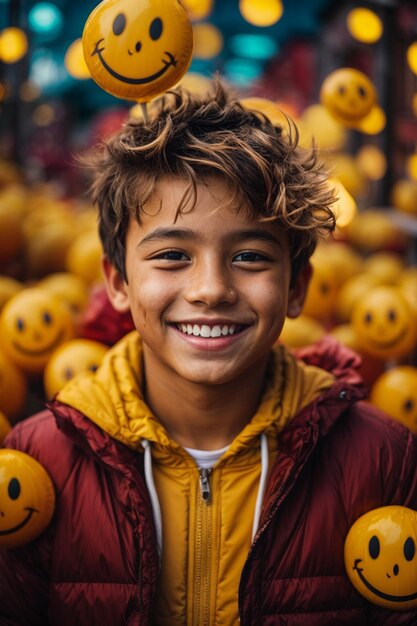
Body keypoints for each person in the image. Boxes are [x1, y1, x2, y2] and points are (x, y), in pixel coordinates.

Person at [1, 82, 417, 626]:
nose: (211, 289)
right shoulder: (38, 463)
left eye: (249, 256)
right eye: (173, 255)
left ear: (297, 288)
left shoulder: (381, 459)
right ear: (117, 281)